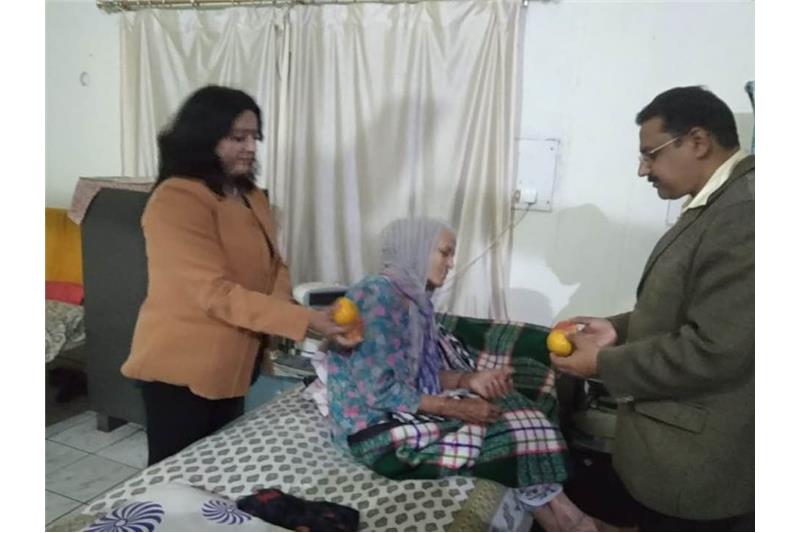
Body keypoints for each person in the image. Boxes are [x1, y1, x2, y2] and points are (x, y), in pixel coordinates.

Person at [550, 86, 754, 531]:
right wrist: (616, 329)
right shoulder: (714, 204)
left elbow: (716, 349)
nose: (643, 170)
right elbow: (691, 306)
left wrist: (601, 362)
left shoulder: (747, 212)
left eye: (651, 154)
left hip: (699, 464)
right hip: (668, 451)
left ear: (697, 142)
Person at [121, 85, 352, 466]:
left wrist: (289, 319)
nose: (250, 147)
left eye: (254, 137)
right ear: (203, 137)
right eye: (236, 137)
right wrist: (305, 320)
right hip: (181, 369)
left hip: (235, 361)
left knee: (217, 468)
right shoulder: (176, 200)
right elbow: (214, 293)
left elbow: (275, 264)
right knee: (175, 477)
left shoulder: (250, 195)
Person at [326, 217, 597, 531]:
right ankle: (572, 521)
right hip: (371, 429)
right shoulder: (376, 296)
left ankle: (565, 519)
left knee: (518, 412)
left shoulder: (416, 300)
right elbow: (380, 390)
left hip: (399, 411)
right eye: (444, 253)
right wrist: (456, 406)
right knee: (506, 431)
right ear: (417, 250)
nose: (451, 263)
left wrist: (469, 381)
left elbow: (415, 376)